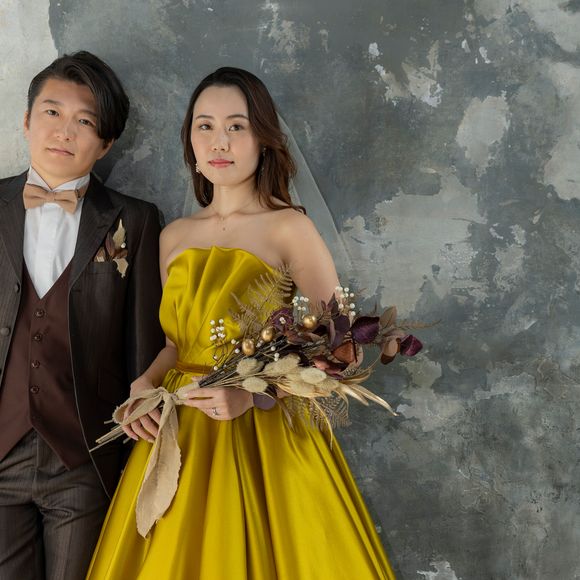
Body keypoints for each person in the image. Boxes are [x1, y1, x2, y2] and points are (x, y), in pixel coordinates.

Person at [87, 67, 395, 579]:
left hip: (261, 434)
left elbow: (340, 350)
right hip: (182, 426)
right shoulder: (174, 236)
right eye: (205, 126)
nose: (219, 142)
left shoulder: (289, 227)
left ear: (263, 139)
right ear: (190, 140)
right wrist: (144, 384)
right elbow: (177, 345)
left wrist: (254, 397)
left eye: (237, 126)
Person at [0, 51, 164, 580]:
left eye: (85, 121)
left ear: (106, 143)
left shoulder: (136, 220)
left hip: (85, 459)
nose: (64, 131)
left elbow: (143, 345)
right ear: (26, 120)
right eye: (52, 112)